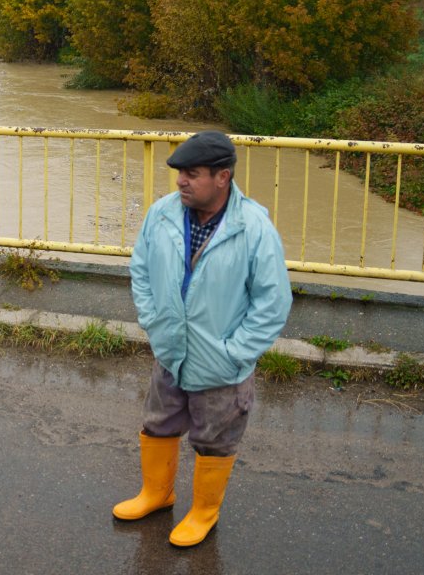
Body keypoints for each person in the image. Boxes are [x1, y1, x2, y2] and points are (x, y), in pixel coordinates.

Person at [113, 130, 291, 546]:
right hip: (170, 349)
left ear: (222, 177)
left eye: (192, 174)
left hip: (221, 363)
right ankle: (157, 494)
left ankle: (203, 512)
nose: (180, 182)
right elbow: (140, 270)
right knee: (158, 424)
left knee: (214, 440)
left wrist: (235, 355)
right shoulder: (162, 214)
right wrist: (154, 321)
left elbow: (273, 304)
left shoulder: (254, 229)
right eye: (179, 174)